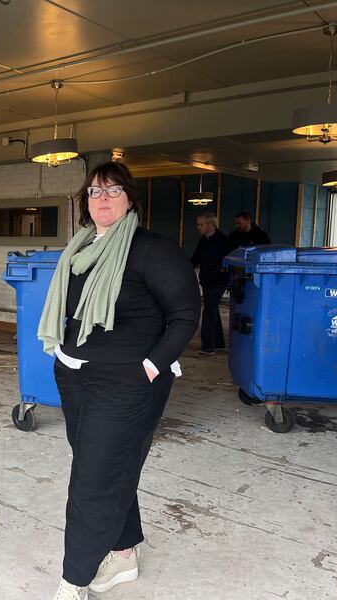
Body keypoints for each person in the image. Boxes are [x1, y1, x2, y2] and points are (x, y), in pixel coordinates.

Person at [37, 162, 200, 599]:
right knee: (108, 469)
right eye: (93, 192)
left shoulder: (151, 250)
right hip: (74, 376)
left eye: (111, 191)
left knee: (91, 480)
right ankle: (124, 553)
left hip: (127, 382)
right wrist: (61, 354)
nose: (102, 200)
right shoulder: (80, 248)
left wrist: (151, 365)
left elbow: (186, 315)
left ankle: (74, 580)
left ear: (130, 199)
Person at [191, 212, 233, 356]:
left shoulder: (223, 241)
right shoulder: (203, 240)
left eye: (201, 224)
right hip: (206, 280)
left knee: (208, 310)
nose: (198, 227)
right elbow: (196, 257)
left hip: (219, 281)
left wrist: (227, 280)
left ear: (211, 224)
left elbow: (229, 263)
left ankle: (208, 347)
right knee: (213, 310)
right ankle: (219, 343)